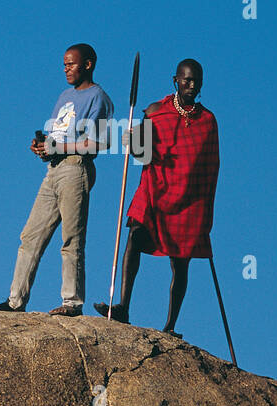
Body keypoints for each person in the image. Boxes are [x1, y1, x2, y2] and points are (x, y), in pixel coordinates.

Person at [93, 59, 218, 337]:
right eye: (186, 80)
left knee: (180, 262)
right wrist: (133, 141)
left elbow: (211, 168)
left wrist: (206, 212)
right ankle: (123, 306)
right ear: (175, 80)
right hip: (156, 188)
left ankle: (171, 325)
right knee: (135, 237)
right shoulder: (155, 112)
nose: (192, 86)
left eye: (197, 81)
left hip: (189, 199)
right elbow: (142, 154)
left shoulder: (207, 122)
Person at [0, 44, 113, 316]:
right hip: (53, 169)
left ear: (88, 65)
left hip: (75, 167)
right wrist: (43, 146)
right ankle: (15, 301)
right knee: (31, 235)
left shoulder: (98, 98)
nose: (66, 69)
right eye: (65, 64)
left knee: (71, 238)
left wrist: (59, 148)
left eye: (72, 64)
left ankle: (72, 301)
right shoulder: (65, 96)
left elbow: (96, 143)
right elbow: (58, 134)